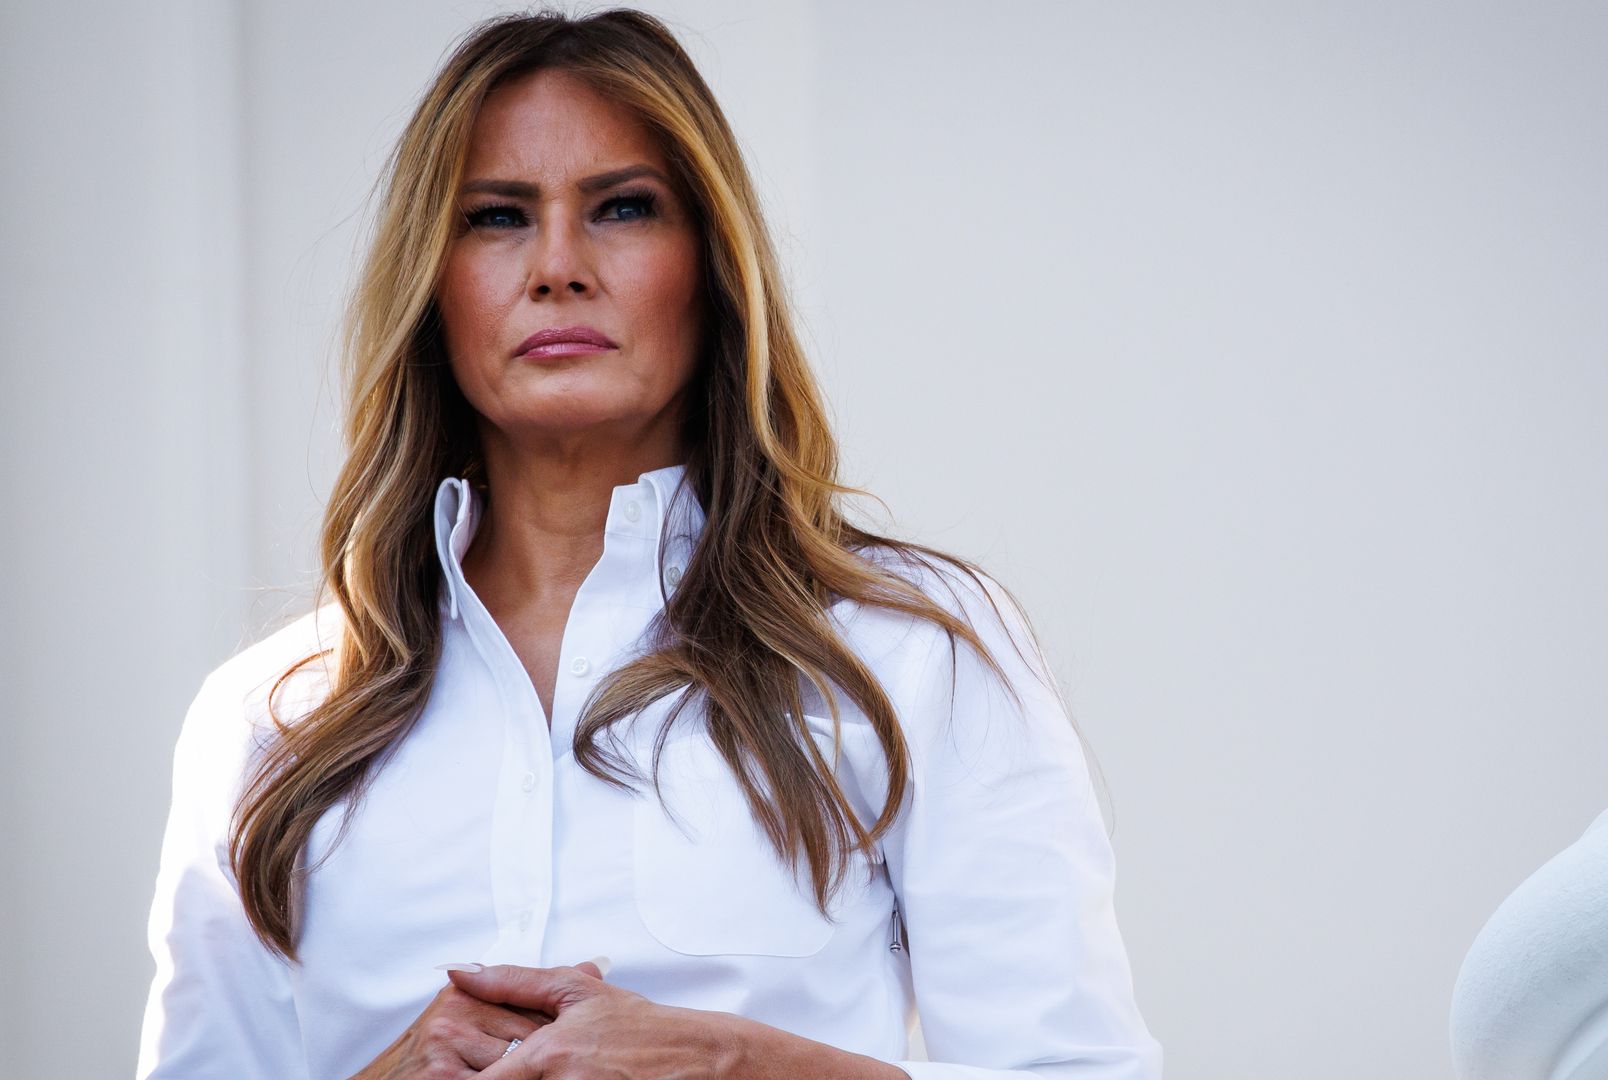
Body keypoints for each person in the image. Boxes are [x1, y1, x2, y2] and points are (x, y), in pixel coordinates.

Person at [135, 8, 1161, 1079]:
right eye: (496, 217)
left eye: (623, 207)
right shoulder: (270, 724)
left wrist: (734, 1063)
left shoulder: (912, 655)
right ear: (429, 283)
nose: (559, 266)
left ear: (712, 264)